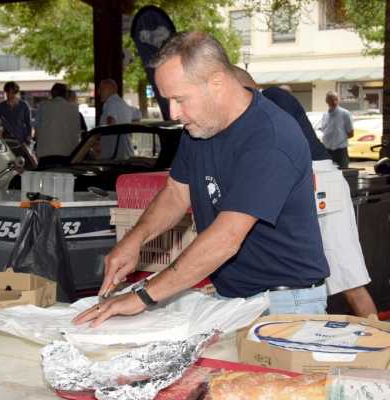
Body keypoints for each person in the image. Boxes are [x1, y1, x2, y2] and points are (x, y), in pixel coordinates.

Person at [74, 32, 330, 328]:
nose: (173, 112)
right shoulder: (199, 127)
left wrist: (143, 297)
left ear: (217, 83)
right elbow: (175, 194)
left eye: (179, 99)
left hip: (285, 304)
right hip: (232, 298)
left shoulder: (270, 138)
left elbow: (226, 239)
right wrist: (136, 238)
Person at [232, 66, 377, 318]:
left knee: (349, 280)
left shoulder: (273, 99)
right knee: (331, 278)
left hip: (318, 183)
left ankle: (381, 347)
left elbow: (282, 151)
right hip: (306, 184)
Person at [35, 83, 80, 168]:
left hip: (46, 156)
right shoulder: (74, 109)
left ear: (51, 94)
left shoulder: (43, 106)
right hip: (68, 156)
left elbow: (37, 132)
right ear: (65, 94)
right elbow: (76, 133)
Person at [98, 79, 140, 160]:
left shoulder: (110, 103)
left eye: (101, 89)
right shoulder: (123, 104)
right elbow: (138, 115)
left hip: (113, 156)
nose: (99, 92)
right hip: (126, 153)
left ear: (110, 89)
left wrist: (99, 140)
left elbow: (110, 122)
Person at [321, 91, 354, 168]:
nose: (334, 102)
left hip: (340, 150)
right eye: (331, 99)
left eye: (336, 99)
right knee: (328, 174)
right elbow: (324, 130)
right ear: (327, 101)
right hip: (327, 150)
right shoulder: (325, 115)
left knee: (343, 173)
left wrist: (339, 139)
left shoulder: (345, 114)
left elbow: (351, 133)